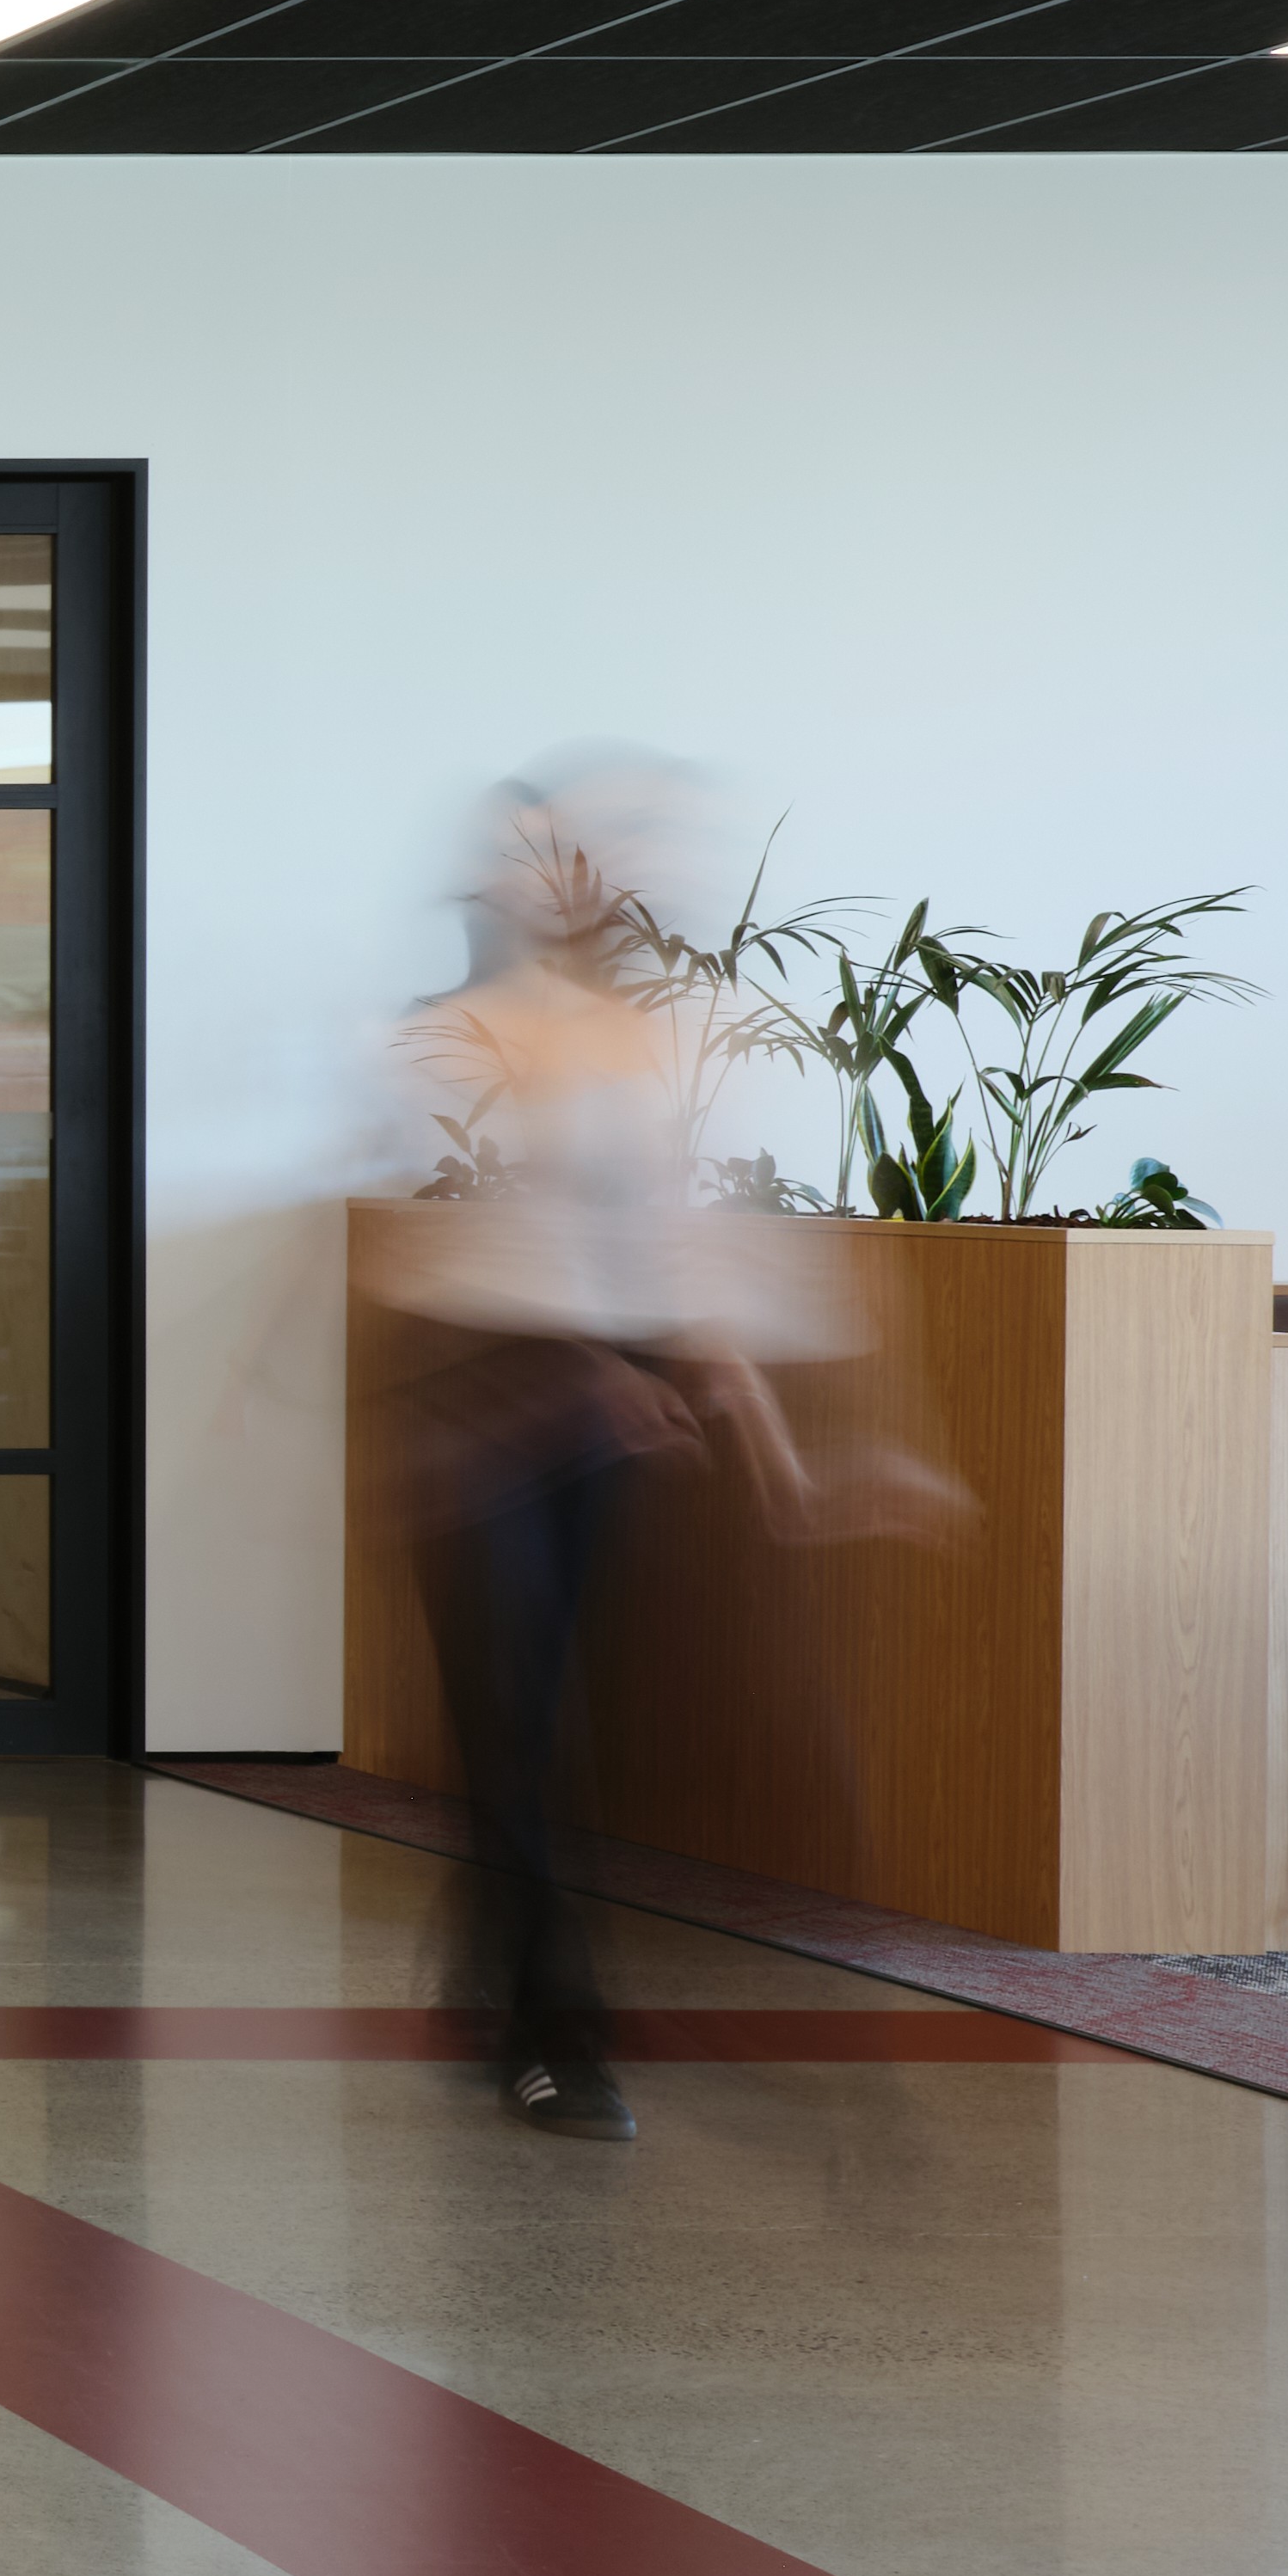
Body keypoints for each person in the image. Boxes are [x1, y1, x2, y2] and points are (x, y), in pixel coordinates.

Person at [379, 768, 924, 2143]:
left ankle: (496, 1980)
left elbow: (680, 1253)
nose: (563, 877)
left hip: (601, 1422)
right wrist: (573, 1372)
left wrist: (789, 1472)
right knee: (514, 1728)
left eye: (572, 854)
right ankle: (555, 2039)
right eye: (525, 855)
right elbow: (442, 1237)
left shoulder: (642, 1047)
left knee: (555, 1725)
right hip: (475, 1415)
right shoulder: (449, 1036)